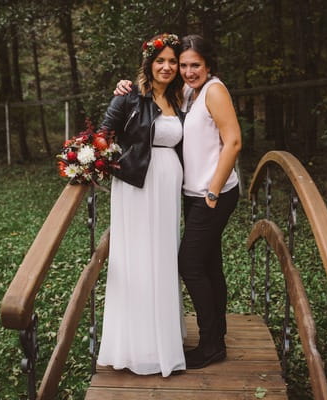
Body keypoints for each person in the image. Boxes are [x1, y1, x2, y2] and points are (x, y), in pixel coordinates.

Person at [114, 34, 242, 369]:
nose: (186, 70)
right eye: (183, 65)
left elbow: (234, 142)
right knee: (210, 264)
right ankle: (218, 336)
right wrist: (125, 85)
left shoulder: (214, 90)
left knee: (189, 264)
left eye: (193, 65)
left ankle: (210, 344)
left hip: (213, 194)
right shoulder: (187, 93)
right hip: (193, 193)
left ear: (208, 65)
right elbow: (149, 96)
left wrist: (213, 190)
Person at [96, 33, 186, 377]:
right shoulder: (130, 95)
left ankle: (164, 337)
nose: (167, 67)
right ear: (149, 63)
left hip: (168, 184)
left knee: (163, 257)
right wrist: (98, 161)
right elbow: (103, 134)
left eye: (172, 61)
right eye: (160, 60)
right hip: (136, 183)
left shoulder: (180, 97)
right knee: (137, 256)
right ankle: (135, 345)